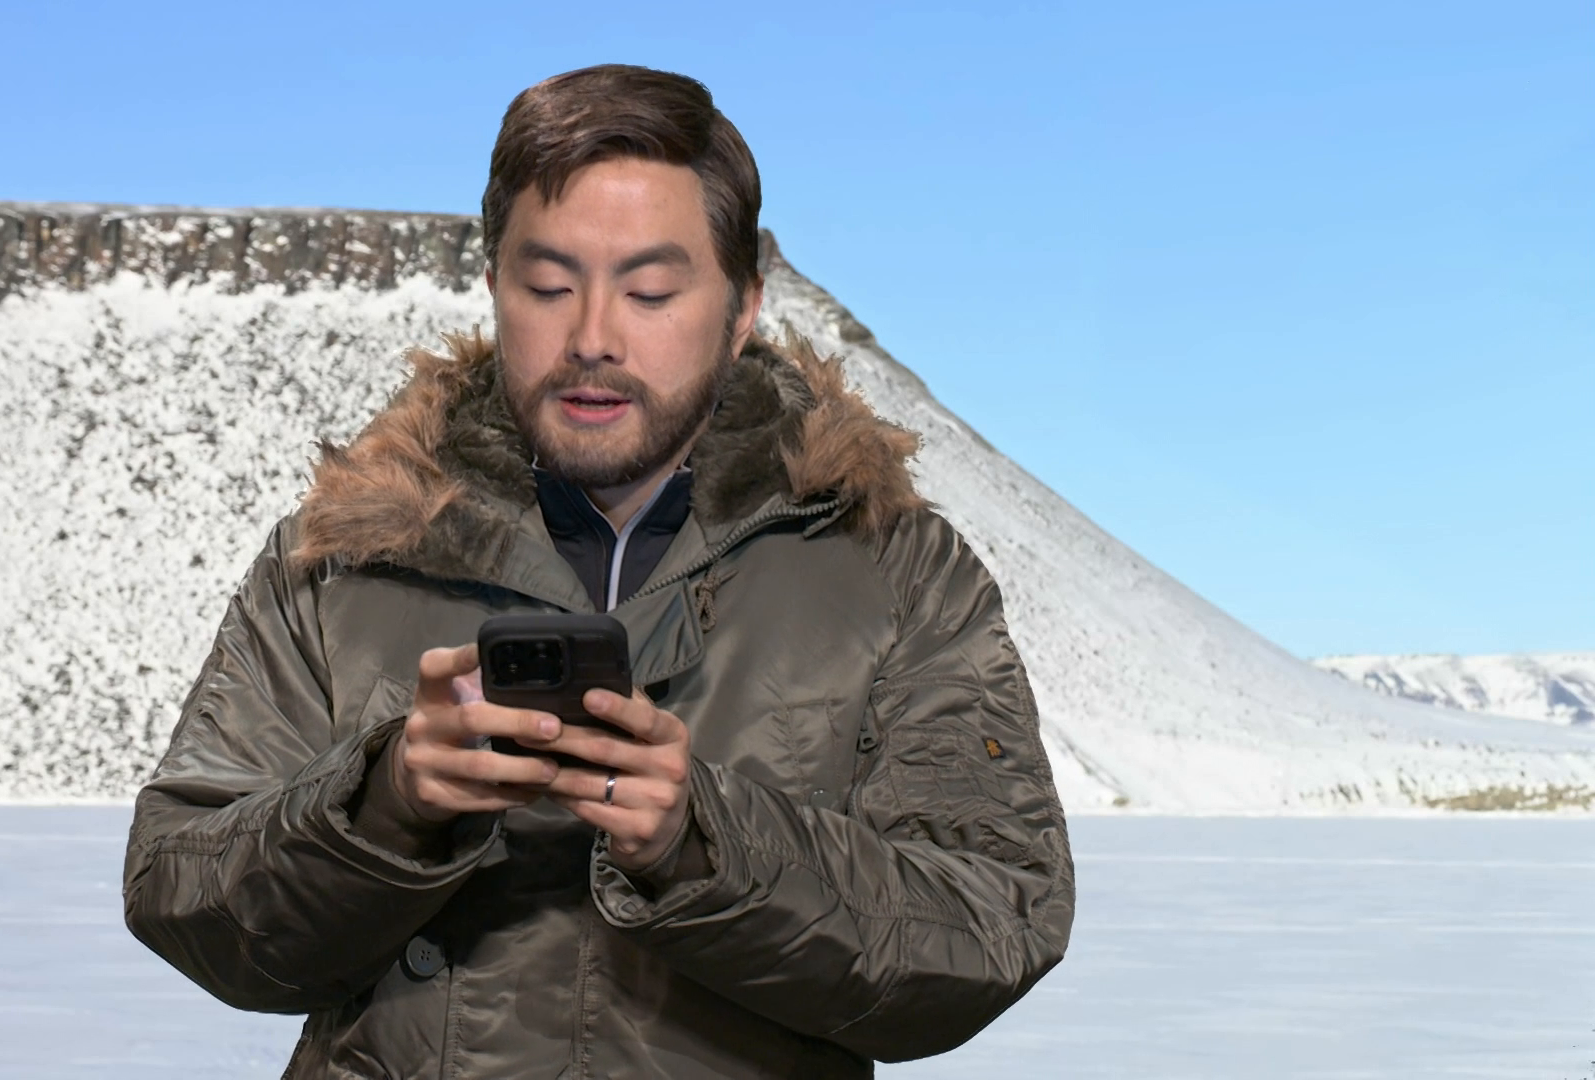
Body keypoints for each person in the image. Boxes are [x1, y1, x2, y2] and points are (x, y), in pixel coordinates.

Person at [123, 63, 1073, 1079]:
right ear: (494, 289)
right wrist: (384, 804)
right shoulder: (336, 557)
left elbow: (991, 926)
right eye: (547, 286)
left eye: (650, 291)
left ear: (742, 310)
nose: (591, 338)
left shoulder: (898, 572)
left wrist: (707, 844)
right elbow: (181, 895)